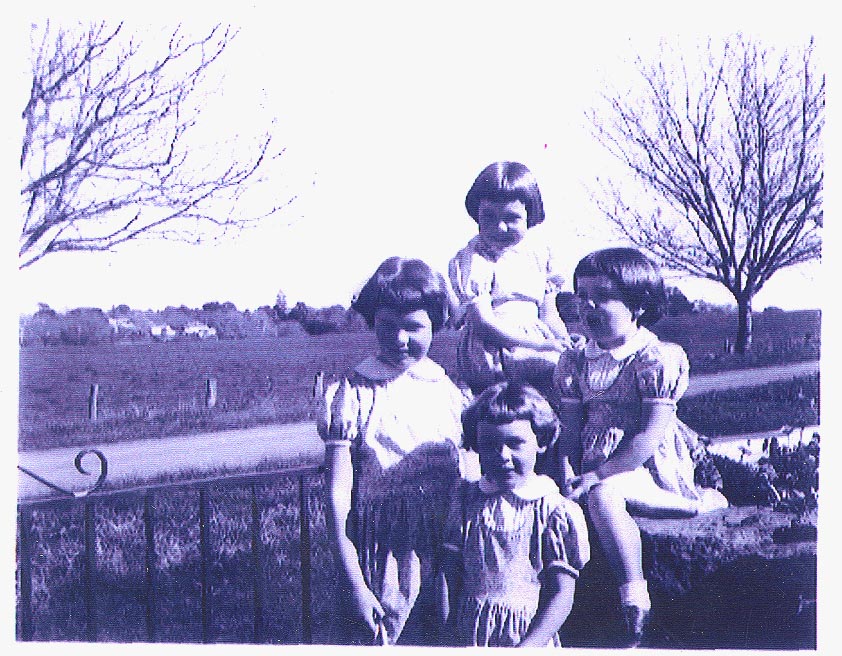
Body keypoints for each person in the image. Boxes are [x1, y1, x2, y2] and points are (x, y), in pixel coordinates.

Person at [550, 247, 728, 648]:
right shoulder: (577, 360)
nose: (588, 306)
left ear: (639, 306)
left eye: (603, 297)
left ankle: (634, 595)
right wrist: (567, 470)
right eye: (581, 295)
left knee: (604, 496)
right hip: (591, 465)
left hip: (641, 466)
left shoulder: (653, 358)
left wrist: (597, 475)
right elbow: (571, 428)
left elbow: (647, 438)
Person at [316, 256, 476, 645]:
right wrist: (354, 580)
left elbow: (467, 468)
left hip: (446, 545)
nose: (400, 339)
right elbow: (338, 496)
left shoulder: (449, 391)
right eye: (387, 327)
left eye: (414, 327)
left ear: (435, 324)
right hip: (383, 552)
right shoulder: (353, 393)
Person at [439, 382, 590, 647]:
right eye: (489, 445)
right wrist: (447, 634)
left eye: (515, 443)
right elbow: (447, 576)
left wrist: (526, 649)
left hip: (528, 637)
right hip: (468, 634)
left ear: (540, 442)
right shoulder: (465, 500)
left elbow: (561, 595)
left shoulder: (553, 511)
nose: (503, 456)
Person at [448, 161, 576, 395]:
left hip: (535, 340)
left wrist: (564, 340)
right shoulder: (477, 257)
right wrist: (541, 345)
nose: (500, 227)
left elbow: (549, 314)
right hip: (492, 348)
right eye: (488, 217)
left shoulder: (540, 254)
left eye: (511, 218)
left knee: (569, 372)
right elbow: (484, 324)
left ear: (530, 215)